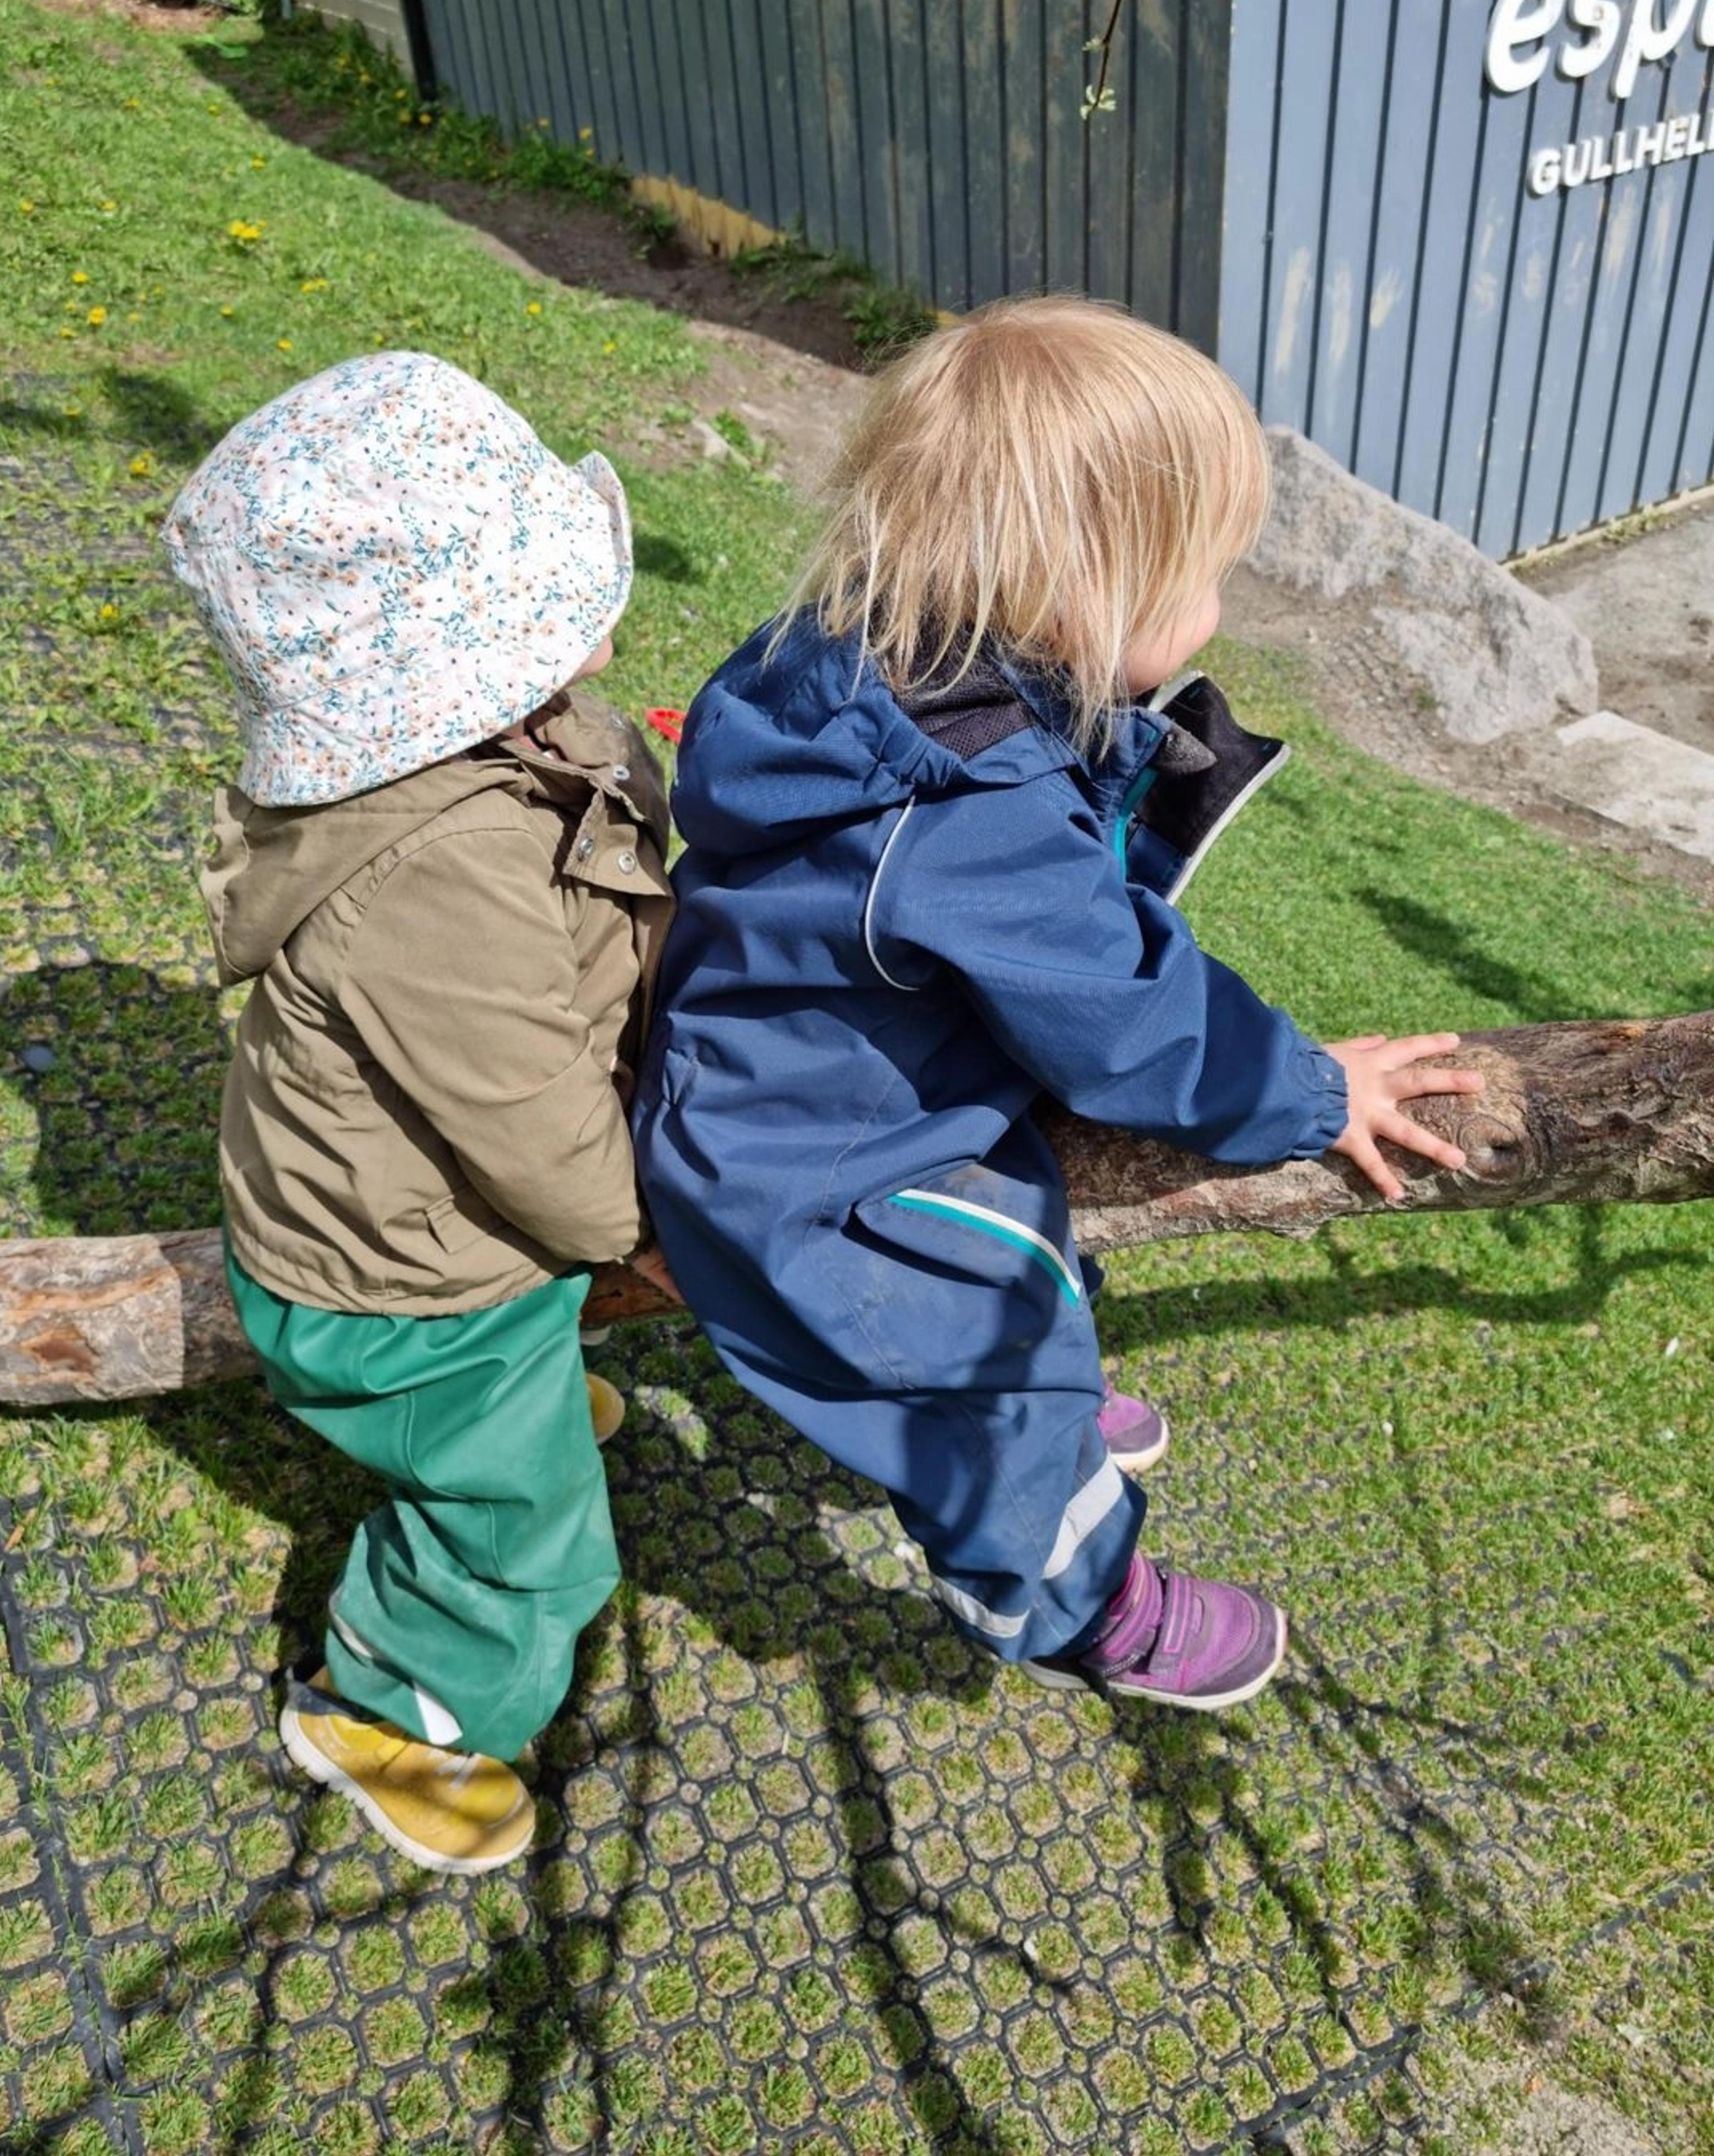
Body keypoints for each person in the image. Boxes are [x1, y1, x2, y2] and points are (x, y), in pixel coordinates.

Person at [633, 296, 1480, 1712]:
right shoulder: (970, 811)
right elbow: (1130, 1020)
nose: (1217, 608)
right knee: (998, 1394)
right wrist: (1319, 1095)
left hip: (808, 1078)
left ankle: (1059, 1386)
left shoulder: (851, 655)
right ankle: (1085, 1600)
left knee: (1033, 1243)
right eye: (1202, 576)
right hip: (815, 1167)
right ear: (1091, 588)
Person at [164, 351, 675, 1872]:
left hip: (438, 1239)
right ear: (456, 675)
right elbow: (535, 1136)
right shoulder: (433, 871)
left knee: (526, 1401)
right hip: (401, 1292)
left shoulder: (496, 745)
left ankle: (498, 1416)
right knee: (530, 1544)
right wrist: (648, 1233)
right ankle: (387, 1709)